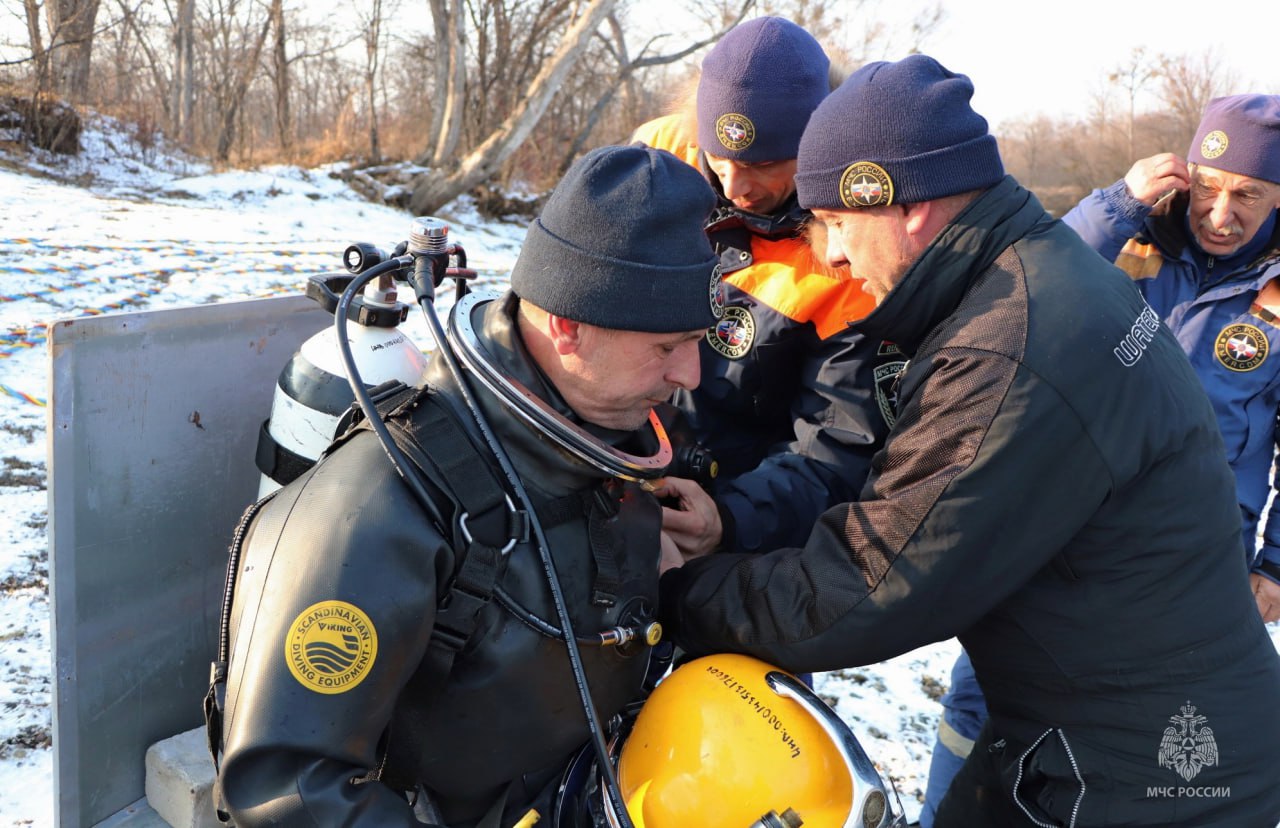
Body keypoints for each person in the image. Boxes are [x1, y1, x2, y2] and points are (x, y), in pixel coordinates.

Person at [659, 54, 1280, 826]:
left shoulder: (1012, 347)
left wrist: (669, 592)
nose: (836, 255)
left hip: (1146, 777)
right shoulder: (1039, 280)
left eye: (837, 224)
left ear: (908, 207)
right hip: (1086, 728)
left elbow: (870, 587)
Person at [206, 144, 725, 827]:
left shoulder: (606, 439)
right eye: (667, 347)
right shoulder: (382, 503)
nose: (691, 373)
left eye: (697, 341)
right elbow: (287, 790)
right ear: (568, 326)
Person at [921, 93, 1280, 827]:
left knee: (1154, 742)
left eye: (1247, 195)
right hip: (1058, 527)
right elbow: (1014, 286)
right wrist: (1114, 204)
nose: (1219, 212)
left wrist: (1275, 564)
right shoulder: (1129, 236)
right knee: (982, 693)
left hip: (1188, 563)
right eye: (1208, 187)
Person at [632, 16, 900, 558]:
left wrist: (727, 519)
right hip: (618, 459)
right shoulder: (655, 162)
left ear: (821, 143)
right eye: (720, 158)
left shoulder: (853, 254)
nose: (735, 186)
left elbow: (839, 448)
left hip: (747, 517)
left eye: (765, 165)